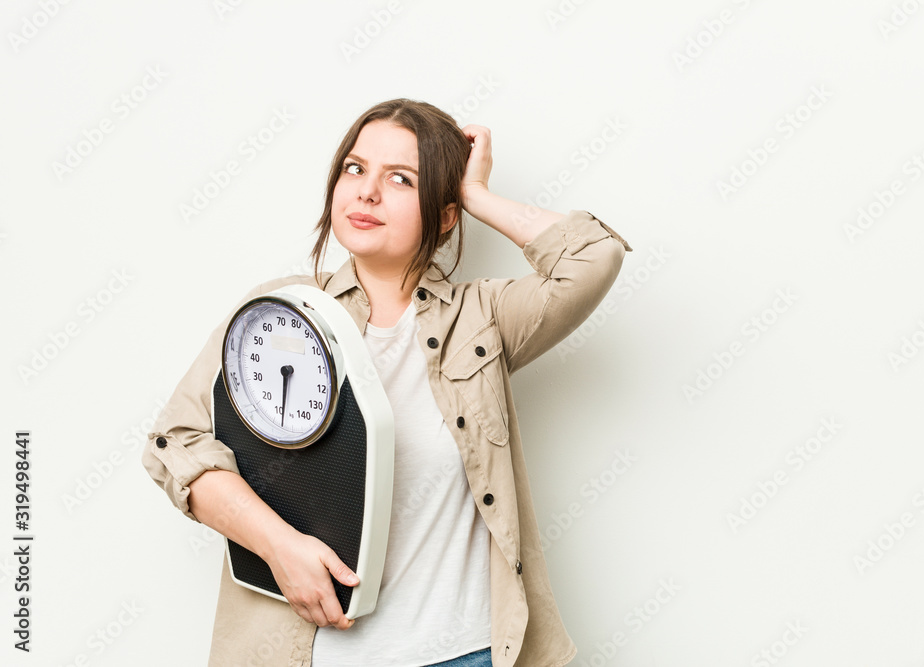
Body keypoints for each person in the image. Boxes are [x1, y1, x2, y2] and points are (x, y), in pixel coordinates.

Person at [142, 98, 632, 667]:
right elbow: (175, 443)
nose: (367, 192)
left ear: (444, 215)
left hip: (468, 652)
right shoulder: (278, 313)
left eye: (401, 179)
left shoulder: (482, 317)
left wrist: (475, 196)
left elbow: (594, 256)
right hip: (316, 655)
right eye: (355, 168)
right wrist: (279, 547)